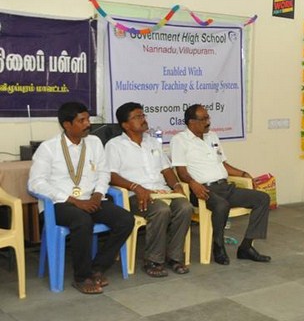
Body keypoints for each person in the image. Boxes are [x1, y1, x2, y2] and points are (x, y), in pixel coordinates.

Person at [28, 101, 134, 294]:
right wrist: (75, 201)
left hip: (91, 199)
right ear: (67, 125)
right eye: (82, 120)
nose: (88, 124)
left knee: (125, 219)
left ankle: (97, 267)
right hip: (60, 204)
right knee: (82, 220)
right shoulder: (49, 148)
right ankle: (81, 277)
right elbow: (36, 183)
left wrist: (98, 195)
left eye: (88, 119)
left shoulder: (94, 143)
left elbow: (104, 173)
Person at [170, 104, 271, 265]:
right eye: (203, 119)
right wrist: (193, 183)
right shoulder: (179, 140)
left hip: (225, 186)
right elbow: (181, 171)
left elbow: (224, 165)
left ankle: (246, 247)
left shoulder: (212, 136)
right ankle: (218, 246)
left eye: (208, 118)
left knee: (262, 198)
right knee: (221, 205)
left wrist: (243, 174)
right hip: (202, 190)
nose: (208, 122)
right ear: (191, 122)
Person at [105, 102, 193, 277]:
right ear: (125, 125)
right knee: (161, 210)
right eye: (137, 117)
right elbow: (110, 175)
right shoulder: (114, 146)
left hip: (161, 191)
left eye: (143, 115)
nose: (143, 119)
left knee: (185, 207)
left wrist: (176, 186)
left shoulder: (152, 142)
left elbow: (166, 170)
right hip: (134, 195)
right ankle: (153, 260)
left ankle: (174, 257)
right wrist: (135, 187)